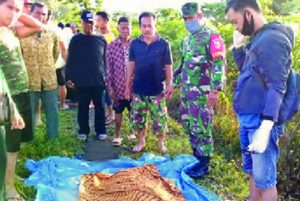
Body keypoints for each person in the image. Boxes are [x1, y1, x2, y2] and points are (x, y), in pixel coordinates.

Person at [225, 0, 295, 200]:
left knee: (265, 181)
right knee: (253, 173)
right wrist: (238, 49)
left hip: (260, 120)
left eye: (235, 21)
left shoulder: (273, 39)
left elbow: (277, 85)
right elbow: (250, 74)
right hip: (249, 118)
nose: (235, 27)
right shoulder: (259, 38)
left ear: (248, 14)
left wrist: (266, 126)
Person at [166, 2, 226, 178]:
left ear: (200, 16)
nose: (187, 22)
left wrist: (215, 90)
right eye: (185, 19)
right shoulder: (187, 39)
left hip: (203, 94)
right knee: (190, 125)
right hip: (187, 93)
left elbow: (219, 62)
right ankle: (197, 158)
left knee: (202, 126)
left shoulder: (212, 36)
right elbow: (182, 65)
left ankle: (204, 164)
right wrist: (173, 84)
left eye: (190, 18)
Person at [0, 0, 43, 199]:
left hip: (21, 91)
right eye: (9, 7)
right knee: (10, 144)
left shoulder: (10, 31)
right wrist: (11, 107)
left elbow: (37, 25)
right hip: (7, 97)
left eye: (18, 10)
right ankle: (7, 188)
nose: (14, 14)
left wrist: (17, 12)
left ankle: (11, 175)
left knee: (17, 143)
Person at [124, 12, 173, 153]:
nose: (147, 29)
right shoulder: (134, 44)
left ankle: (161, 143)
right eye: (144, 26)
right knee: (138, 118)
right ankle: (141, 141)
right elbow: (131, 65)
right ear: (140, 27)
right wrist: (127, 86)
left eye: (149, 26)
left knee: (160, 119)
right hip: (139, 89)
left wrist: (169, 85)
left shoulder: (164, 44)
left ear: (155, 25)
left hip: (157, 90)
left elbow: (168, 66)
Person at [20, 2, 60, 139]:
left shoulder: (52, 33)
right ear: (30, 13)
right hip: (29, 80)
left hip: (49, 79)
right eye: (37, 13)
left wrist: (46, 67)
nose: (40, 16)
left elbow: (56, 53)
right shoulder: (21, 33)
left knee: (52, 111)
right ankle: (28, 141)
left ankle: (53, 140)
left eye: (43, 14)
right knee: (28, 112)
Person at [65, 10, 107, 141]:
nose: (89, 25)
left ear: (95, 23)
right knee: (82, 107)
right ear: (82, 23)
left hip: (98, 80)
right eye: (86, 23)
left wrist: (107, 77)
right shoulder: (76, 39)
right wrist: (68, 77)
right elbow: (71, 59)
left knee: (100, 107)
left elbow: (105, 59)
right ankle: (83, 130)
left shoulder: (101, 39)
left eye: (91, 23)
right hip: (81, 81)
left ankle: (101, 130)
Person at [106, 17, 135, 147]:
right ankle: (117, 136)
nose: (125, 30)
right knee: (118, 110)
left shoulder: (136, 45)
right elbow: (108, 68)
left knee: (134, 110)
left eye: (127, 27)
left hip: (135, 85)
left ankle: (133, 132)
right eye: (122, 28)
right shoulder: (111, 46)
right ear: (118, 28)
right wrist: (110, 87)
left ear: (131, 28)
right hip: (118, 85)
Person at [96, 11, 115, 124]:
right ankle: (108, 113)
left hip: (107, 68)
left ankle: (111, 114)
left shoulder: (109, 36)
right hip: (100, 68)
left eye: (98, 20)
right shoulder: (98, 33)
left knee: (108, 92)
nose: (97, 23)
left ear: (106, 21)